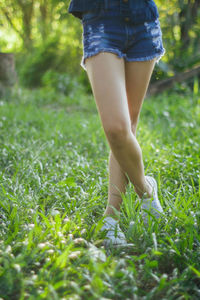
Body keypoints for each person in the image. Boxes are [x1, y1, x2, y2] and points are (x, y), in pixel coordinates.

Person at [68, 0, 165, 247]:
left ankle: (111, 220)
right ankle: (146, 190)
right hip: (101, 19)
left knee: (129, 126)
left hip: (143, 17)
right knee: (116, 129)